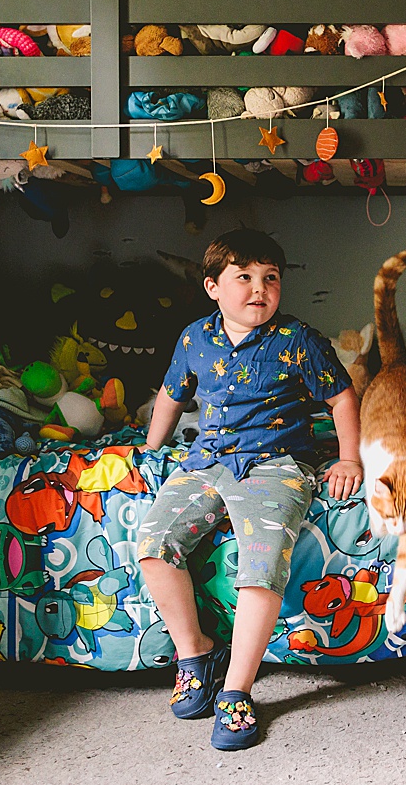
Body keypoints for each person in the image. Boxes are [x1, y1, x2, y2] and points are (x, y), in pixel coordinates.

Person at [137, 229, 361, 751]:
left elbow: (343, 398)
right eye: (244, 277)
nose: (259, 288)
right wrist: (151, 449)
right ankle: (196, 653)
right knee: (153, 546)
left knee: (260, 564)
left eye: (270, 278)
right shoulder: (194, 338)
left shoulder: (298, 340)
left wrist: (347, 457)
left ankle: (236, 689)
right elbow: (171, 395)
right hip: (206, 462)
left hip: (275, 466)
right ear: (213, 287)